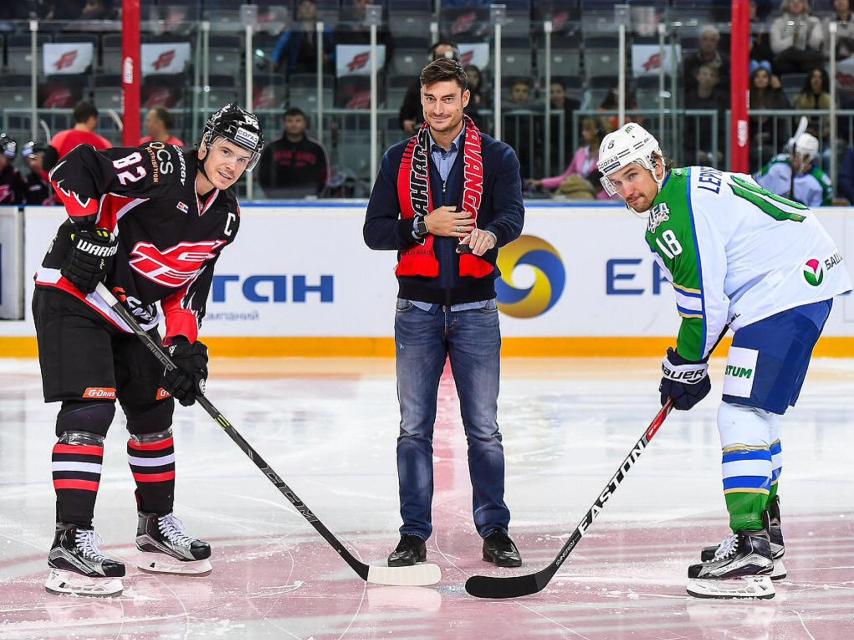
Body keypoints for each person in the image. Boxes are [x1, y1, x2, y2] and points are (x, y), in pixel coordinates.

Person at [597, 122, 851, 600]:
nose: (626, 190)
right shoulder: (683, 186)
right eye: (615, 182)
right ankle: (765, 541)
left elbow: (705, 307)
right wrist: (686, 364)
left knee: (741, 411)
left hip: (785, 290)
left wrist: (683, 365)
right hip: (798, 282)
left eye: (632, 175)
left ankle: (751, 545)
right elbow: (709, 300)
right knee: (758, 413)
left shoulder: (673, 213)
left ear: (655, 164)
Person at [32, 103, 264, 598]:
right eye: (225, 151)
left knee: (155, 412)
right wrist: (88, 228)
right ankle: (70, 538)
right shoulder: (163, 164)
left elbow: (187, 288)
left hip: (130, 314)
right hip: (74, 296)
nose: (231, 165)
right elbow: (74, 169)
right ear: (205, 145)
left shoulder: (225, 219)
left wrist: (182, 345)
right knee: (91, 410)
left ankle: (155, 526)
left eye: (242, 159)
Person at [363, 58, 524, 570]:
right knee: (414, 428)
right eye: (431, 99)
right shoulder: (397, 158)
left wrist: (493, 233)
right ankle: (413, 534)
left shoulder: (497, 157)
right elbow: (374, 231)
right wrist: (420, 225)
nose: (438, 109)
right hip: (416, 309)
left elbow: (512, 215)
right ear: (422, 99)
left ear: (465, 100)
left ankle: (495, 530)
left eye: (448, 99)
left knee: (484, 429)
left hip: (477, 308)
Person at [527, 117, 608, 200]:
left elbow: (612, 182)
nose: (583, 133)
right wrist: (541, 182)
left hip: (601, 200)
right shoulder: (580, 153)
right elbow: (565, 177)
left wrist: (596, 199)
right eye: (583, 130)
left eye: (587, 130)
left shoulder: (607, 154)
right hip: (581, 195)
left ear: (597, 131)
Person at [257, 107, 328, 198]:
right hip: (277, 195)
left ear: (305, 123)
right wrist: (270, 193)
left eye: (298, 121)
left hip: (308, 195)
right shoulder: (272, 148)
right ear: (284, 123)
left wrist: (316, 193)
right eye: (290, 121)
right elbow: (262, 174)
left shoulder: (316, 149)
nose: (294, 124)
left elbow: (323, 175)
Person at [755, 132, 832, 207]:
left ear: (807, 157)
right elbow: (754, 184)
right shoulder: (777, 165)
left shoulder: (821, 183)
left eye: (796, 154)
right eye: (792, 153)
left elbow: (822, 213)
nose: (792, 157)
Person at [399, 41, 460, 134]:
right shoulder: (420, 84)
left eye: (448, 56)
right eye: (440, 57)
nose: (444, 61)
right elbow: (407, 111)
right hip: (426, 135)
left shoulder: (463, 84)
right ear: (432, 59)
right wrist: (406, 119)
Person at [270, 0, 335, 78]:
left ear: (316, 9)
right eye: (304, 6)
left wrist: (328, 57)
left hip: (321, 70)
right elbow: (279, 47)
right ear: (299, 10)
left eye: (310, 5)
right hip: (298, 71)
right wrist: (274, 60)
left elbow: (335, 50)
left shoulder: (326, 29)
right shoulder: (292, 30)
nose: (307, 8)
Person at [748, 61, 791, 170]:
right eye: (757, 76)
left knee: (769, 153)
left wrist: (778, 89)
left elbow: (785, 110)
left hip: (773, 142)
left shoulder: (775, 95)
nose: (761, 79)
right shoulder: (748, 96)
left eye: (764, 76)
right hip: (751, 142)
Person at [770, 0, 823, 75]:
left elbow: (815, 45)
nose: (796, 3)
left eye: (800, 1)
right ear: (787, 4)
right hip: (786, 60)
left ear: (805, 4)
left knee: (814, 60)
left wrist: (809, 31)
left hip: (807, 59)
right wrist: (795, 37)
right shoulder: (778, 23)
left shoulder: (813, 21)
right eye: (792, 1)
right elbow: (775, 48)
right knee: (781, 63)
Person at [683, 25, 730, 95]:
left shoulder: (726, 62)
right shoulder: (689, 61)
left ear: (717, 43)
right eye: (705, 39)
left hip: (719, 100)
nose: (708, 43)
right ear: (699, 41)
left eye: (712, 40)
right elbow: (684, 83)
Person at [22, 140, 55, 205]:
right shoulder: (28, 181)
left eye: (34, 159)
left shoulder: (58, 177)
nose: (31, 164)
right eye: (27, 161)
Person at [0, 134, 27, 204]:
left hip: (9, 212)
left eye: (11, 158)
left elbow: (21, 198)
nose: (8, 161)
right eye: (5, 156)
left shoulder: (14, 174)